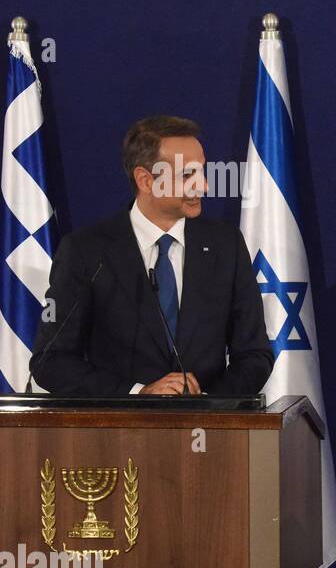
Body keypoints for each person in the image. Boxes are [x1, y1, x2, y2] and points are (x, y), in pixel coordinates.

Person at [29, 115, 272, 396]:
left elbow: (255, 355)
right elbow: (50, 360)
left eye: (202, 172)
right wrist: (137, 393)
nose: (204, 186)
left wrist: (208, 403)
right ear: (145, 180)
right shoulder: (85, 252)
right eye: (187, 175)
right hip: (116, 434)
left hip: (211, 431)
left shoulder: (226, 246)